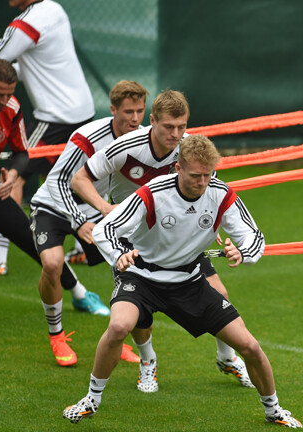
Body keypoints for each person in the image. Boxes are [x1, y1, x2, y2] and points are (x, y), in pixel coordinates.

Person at [62, 135, 301, 427]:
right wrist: (119, 255)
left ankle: (274, 410)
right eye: (195, 175)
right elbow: (105, 230)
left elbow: (254, 237)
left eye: (208, 174)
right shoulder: (152, 192)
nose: (202, 182)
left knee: (250, 346)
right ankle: (91, 399)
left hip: (189, 280)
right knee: (118, 326)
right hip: (142, 277)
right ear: (178, 168)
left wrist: (242, 251)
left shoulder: (220, 193)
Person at [71, 89, 254, 389]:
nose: (176, 133)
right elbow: (80, 178)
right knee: (138, 312)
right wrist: (106, 209)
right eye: (169, 126)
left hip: (176, 235)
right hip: (130, 237)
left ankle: (227, 357)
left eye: (181, 126)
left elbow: (210, 186)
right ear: (152, 121)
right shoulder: (126, 147)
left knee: (218, 290)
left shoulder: (190, 147)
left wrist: (212, 221)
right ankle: (148, 361)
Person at [28, 80, 149, 367]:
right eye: (128, 112)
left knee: (127, 268)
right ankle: (57, 336)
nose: (134, 119)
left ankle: (116, 339)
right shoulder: (87, 136)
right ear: (112, 109)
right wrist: (79, 220)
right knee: (53, 264)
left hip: (95, 208)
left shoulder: (143, 137)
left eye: (140, 111)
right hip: (53, 205)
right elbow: (58, 180)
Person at [0, 59, 103, 317]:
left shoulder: (11, 109)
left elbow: (22, 153)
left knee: (31, 238)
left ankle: (79, 293)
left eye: (9, 94)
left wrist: (13, 172)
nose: (5, 100)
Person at [0, 0, 95, 275]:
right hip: (81, 111)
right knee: (71, 180)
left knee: (16, 176)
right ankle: (88, 247)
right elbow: (36, 64)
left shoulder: (25, 24)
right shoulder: (54, 9)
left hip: (56, 116)